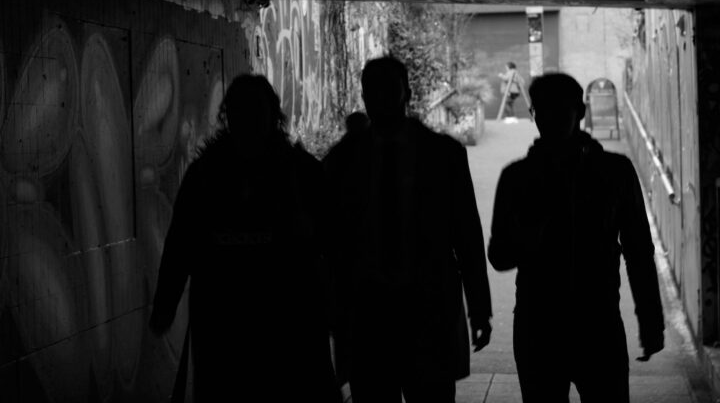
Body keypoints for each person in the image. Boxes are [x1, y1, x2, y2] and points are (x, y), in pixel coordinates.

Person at [149, 74, 341, 402]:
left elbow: (180, 245)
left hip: (227, 323)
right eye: (243, 112)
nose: (249, 120)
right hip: (289, 322)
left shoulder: (205, 174)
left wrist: (165, 308)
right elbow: (335, 240)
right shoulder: (300, 170)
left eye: (253, 112)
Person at [324, 56, 493, 403]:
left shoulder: (444, 154)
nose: (381, 99)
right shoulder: (343, 159)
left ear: (407, 93)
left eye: (388, 90)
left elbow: (467, 233)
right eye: (373, 91)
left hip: (426, 314)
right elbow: (328, 240)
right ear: (364, 95)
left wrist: (480, 306)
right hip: (368, 317)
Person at [487, 72, 664, 403]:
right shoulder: (611, 171)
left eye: (560, 111)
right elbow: (498, 255)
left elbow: (639, 248)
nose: (551, 121)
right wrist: (650, 319)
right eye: (543, 112)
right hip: (573, 323)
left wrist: (651, 318)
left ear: (580, 113)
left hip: (565, 324)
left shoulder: (522, 176)